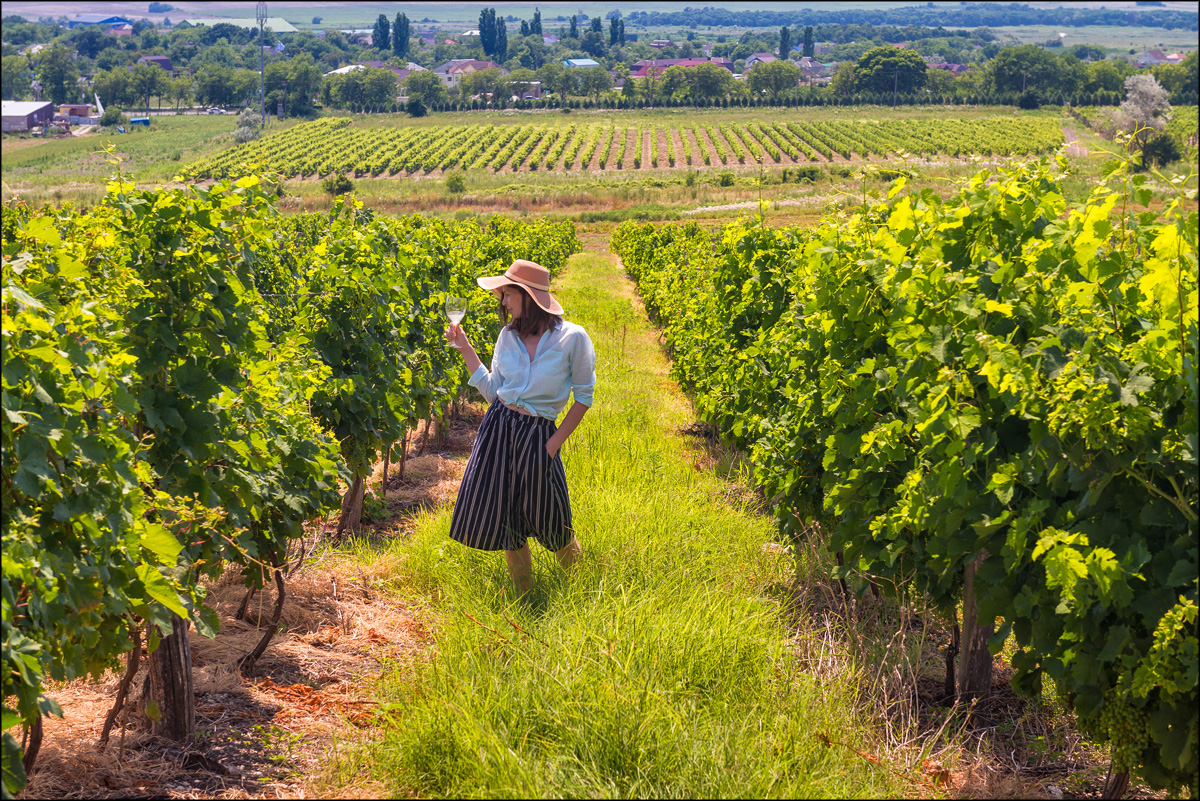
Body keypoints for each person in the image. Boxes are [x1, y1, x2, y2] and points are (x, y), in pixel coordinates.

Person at [443, 259, 596, 597]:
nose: (503, 302)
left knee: (553, 518)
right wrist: (465, 347)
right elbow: (494, 392)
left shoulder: (573, 338)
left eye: (508, 294)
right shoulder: (507, 336)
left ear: (529, 296)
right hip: (498, 430)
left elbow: (584, 397)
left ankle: (582, 592)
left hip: (538, 435)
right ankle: (523, 596)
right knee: (507, 521)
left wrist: (553, 445)